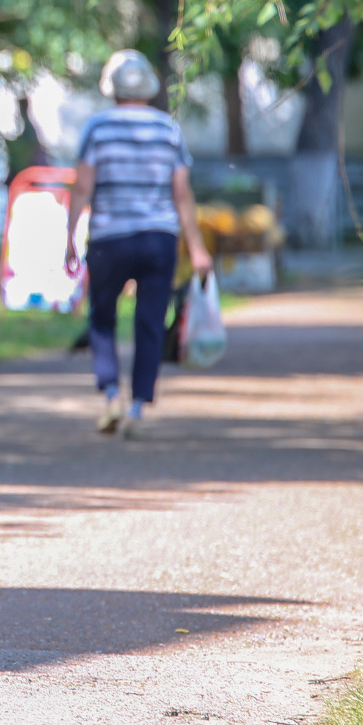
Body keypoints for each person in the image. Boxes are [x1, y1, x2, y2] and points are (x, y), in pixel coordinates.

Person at [64, 50, 212, 439]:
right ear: (148, 88)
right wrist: (197, 248)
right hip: (158, 239)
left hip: (109, 238)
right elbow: (181, 193)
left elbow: (82, 186)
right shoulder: (168, 129)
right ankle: (136, 410)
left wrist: (69, 237)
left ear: (112, 89)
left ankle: (111, 393)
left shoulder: (97, 128)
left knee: (102, 318)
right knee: (149, 322)